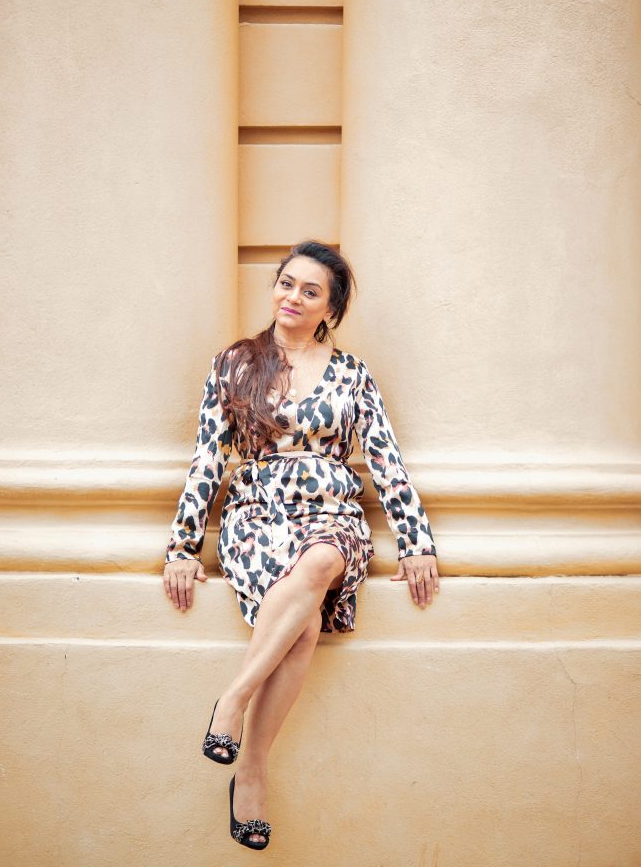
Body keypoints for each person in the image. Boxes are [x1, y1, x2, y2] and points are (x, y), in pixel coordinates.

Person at [163, 239, 439, 850]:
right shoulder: (236, 363)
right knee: (304, 626)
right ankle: (253, 772)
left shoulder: (352, 374)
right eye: (286, 283)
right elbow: (207, 460)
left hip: (333, 513)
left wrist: (416, 542)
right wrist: (183, 546)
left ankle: (231, 703)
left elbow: (387, 463)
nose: (291, 297)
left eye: (309, 291)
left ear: (330, 308)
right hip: (256, 516)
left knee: (320, 562)